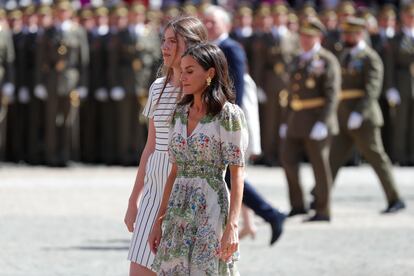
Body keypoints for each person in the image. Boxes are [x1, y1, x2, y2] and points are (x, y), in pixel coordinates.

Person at [148, 42, 248, 275]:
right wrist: (159, 220)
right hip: (177, 209)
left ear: (210, 74)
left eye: (190, 71)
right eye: (182, 70)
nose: (182, 76)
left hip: (211, 206)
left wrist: (232, 225)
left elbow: (237, 173)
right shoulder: (179, 114)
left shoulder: (228, 115)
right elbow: (174, 172)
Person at [124, 16, 208, 276]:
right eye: (164, 40)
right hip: (153, 191)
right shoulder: (157, 87)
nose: (165, 47)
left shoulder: (200, 90)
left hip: (184, 190)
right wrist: (133, 200)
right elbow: (150, 147)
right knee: (139, 270)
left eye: (174, 41)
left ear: (191, 46)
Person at [203, 4, 285, 244]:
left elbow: (234, 88)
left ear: (226, 25)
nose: (208, 26)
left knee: (230, 174)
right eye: (205, 21)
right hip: (208, 118)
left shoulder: (232, 48)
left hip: (224, 121)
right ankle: (265, 216)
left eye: (213, 22)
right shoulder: (205, 49)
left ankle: (269, 214)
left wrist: (222, 119)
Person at [330, 17, 405, 214]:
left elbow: (372, 89)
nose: (346, 37)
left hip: (364, 118)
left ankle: (395, 197)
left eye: (350, 33)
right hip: (344, 115)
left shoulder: (370, 57)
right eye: (345, 33)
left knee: (377, 158)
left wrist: (358, 113)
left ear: (360, 34)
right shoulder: (344, 55)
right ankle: (319, 198)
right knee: (332, 159)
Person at [279, 18, 341, 222]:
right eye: (303, 36)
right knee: (287, 159)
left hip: (317, 119)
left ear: (319, 37)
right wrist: (285, 120)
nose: (305, 40)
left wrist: (324, 121)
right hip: (296, 119)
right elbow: (291, 91)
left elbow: (332, 94)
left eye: (310, 36)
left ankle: (323, 209)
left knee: (320, 167)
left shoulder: (327, 59)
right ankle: (298, 205)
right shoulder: (298, 59)